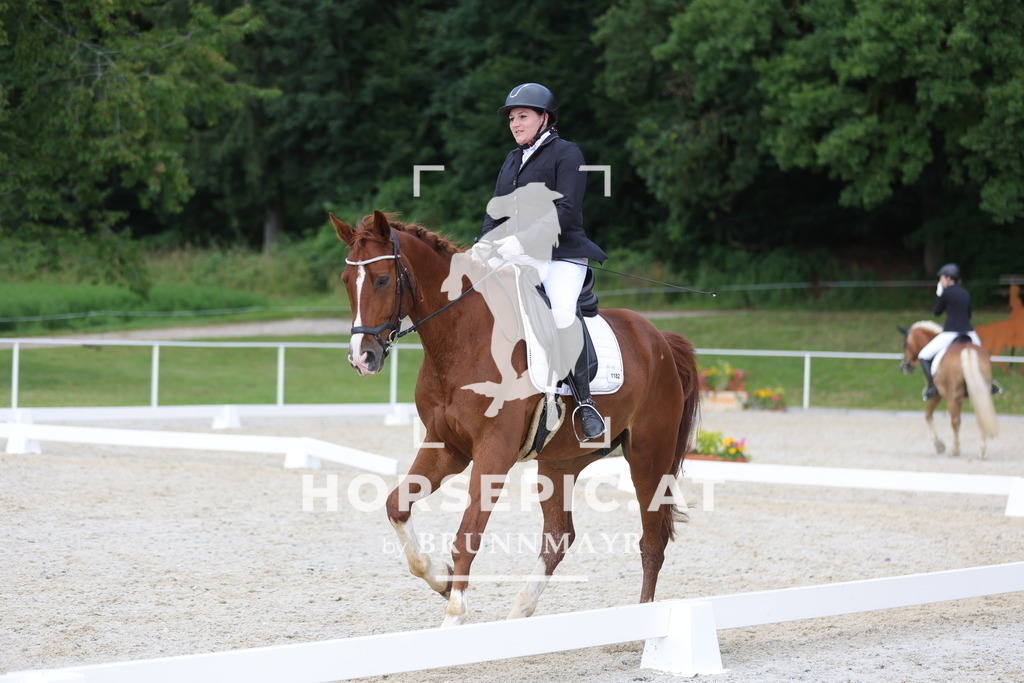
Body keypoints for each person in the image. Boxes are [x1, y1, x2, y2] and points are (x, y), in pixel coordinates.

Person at [481, 82, 608, 440]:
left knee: (560, 313)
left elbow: (566, 210)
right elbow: (497, 209)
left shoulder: (567, 154)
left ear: (544, 118)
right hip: (520, 256)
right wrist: (484, 243)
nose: (515, 123)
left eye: (522, 116)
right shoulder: (512, 159)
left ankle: (584, 403)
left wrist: (518, 241)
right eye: (511, 118)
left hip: (562, 255)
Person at [916, 263, 1000, 400]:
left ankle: (932, 387)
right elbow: (968, 315)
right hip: (969, 332)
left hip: (950, 333)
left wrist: (940, 295)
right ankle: (990, 384)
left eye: (942, 278)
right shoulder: (965, 293)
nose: (940, 281)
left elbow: (937, 312)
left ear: (949, 278)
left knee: (923, 355)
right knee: (983, 354)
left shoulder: (946, 293)